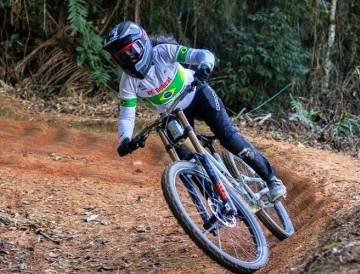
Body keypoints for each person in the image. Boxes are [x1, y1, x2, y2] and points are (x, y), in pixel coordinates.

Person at [103, 21, 287, 201]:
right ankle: (219, 204)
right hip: (171, 116)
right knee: (187, 162)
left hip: (197, 94)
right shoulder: (128, 82)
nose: (128, 59)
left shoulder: (163, 51)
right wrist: (125, 139)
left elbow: (201, 55)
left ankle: (271, 180)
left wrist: (205, 66)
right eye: (121, 57)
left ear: (143, 43)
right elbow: (126, 115)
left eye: (131, 51)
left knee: (228, 137)